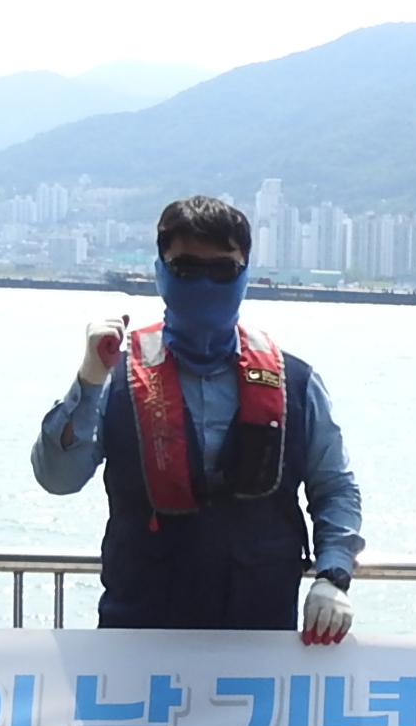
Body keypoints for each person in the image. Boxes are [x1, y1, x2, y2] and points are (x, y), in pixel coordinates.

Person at [33, 194, 362, 640]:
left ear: (244, 274)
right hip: (139, 633)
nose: (205, 284)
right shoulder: (113, 377)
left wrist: (332, 575)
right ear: (160, 272)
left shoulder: (296, 382)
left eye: (222, 270)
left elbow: (335, 487)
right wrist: (88, 380)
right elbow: (58, 479)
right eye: (186, 268)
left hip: (261, 635)